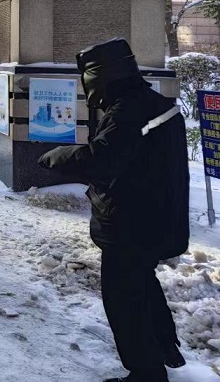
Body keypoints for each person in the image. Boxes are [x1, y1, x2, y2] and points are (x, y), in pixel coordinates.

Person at [37, 38, 189, 382]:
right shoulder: (152, 104)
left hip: (132, 226)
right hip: (154, 220)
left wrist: (58, 156)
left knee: (124, 299)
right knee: (141, 284)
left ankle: (146, 372)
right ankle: (164, 346)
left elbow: (103, 159)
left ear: (100, 77)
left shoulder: (128, 112)